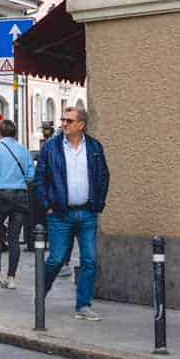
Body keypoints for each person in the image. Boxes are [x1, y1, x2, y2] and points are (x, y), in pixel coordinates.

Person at [36, 107, 111, 321]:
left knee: (89, 260)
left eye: (69, 121)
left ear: (81, 125)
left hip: (87, 213)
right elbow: (40, 178)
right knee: (56, 259)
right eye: (63, 120)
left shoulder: (94, 147)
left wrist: (98, 203)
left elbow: (103, 176)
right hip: (60, 214)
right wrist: (47, 206)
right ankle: (40, 292)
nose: (64, 124)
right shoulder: (51, 147)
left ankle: (83, 305)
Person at [0, 119, 34, 289]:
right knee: (14, 237)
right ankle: (11, 278)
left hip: (3, 193)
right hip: (21, 195)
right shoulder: (23, 149)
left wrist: (0, 176)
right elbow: (31, 175)